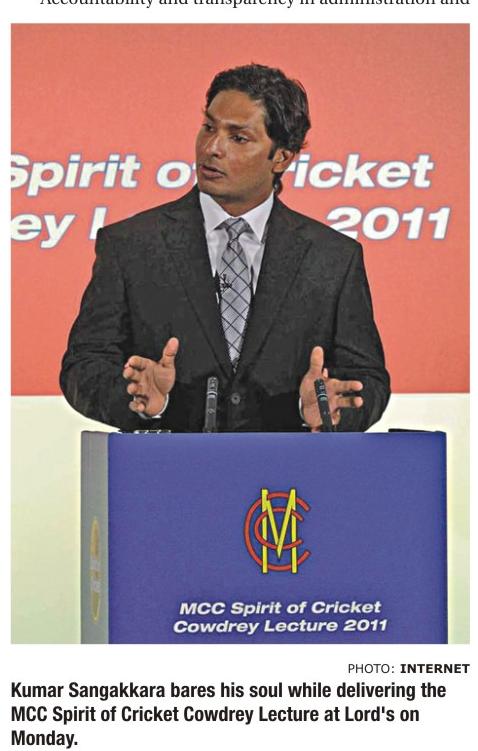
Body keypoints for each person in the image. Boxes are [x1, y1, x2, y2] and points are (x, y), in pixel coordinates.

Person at [60, 64, 390, 433]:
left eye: (238, 138)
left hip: (286, 468)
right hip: (167, 465)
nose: (211, 148)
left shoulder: (333, 258)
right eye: (208, 127)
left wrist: (325, 409)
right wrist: (138, 397)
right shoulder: (131, 245)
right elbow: (83, 367)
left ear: (281, 157)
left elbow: (368, 380)